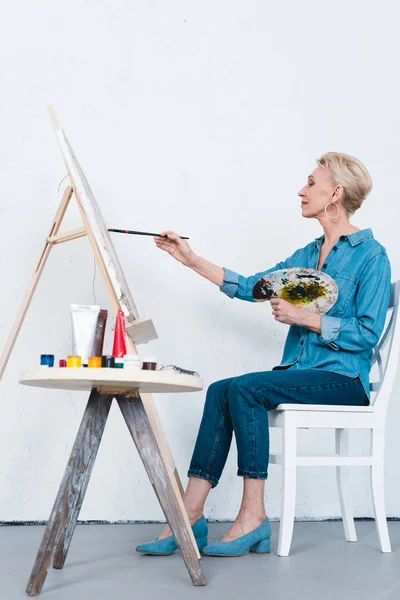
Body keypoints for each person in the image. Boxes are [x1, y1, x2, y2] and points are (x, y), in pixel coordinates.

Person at [136, 152, 391, 558]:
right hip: (301, 372)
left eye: (311, 182)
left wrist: (305, 318)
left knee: (249, 389)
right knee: (222, 389)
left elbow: (367, 334)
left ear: (335, 194)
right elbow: (253, 286)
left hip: (344, 381)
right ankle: (189, 515)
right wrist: (189, 258)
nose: (301, 190)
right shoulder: (307, 256)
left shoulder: (371, 255)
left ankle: (253, 517)